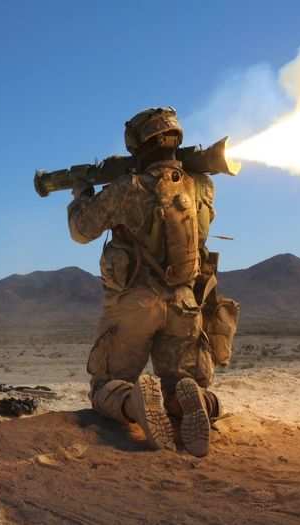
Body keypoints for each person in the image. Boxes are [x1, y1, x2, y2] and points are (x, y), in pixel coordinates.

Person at [67, 107, 239, 456]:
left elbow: (81, 231)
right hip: (185, 305)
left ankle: (134, 403)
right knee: (184, 381)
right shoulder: (203, 186)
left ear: (136, 144)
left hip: (136, 304)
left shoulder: (126, 188)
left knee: (105, 386)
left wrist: (80, 195)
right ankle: (197, 402)